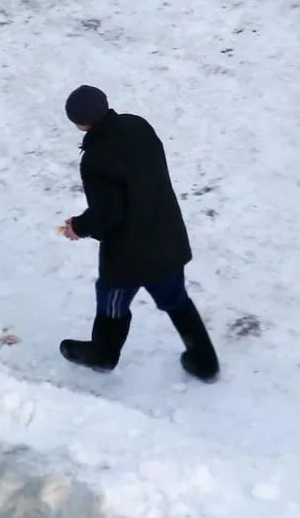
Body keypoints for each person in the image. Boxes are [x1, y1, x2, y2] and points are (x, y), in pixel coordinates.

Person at [57, 85, 219, 382]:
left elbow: (108, 215)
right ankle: (204, 360)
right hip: (166, 238)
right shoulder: (138, 125)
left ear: (80, 123)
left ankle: (103, 355)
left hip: (129, 255)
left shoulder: (95, 159)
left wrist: (78, 226)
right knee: (176, 299)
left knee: (112, 302)